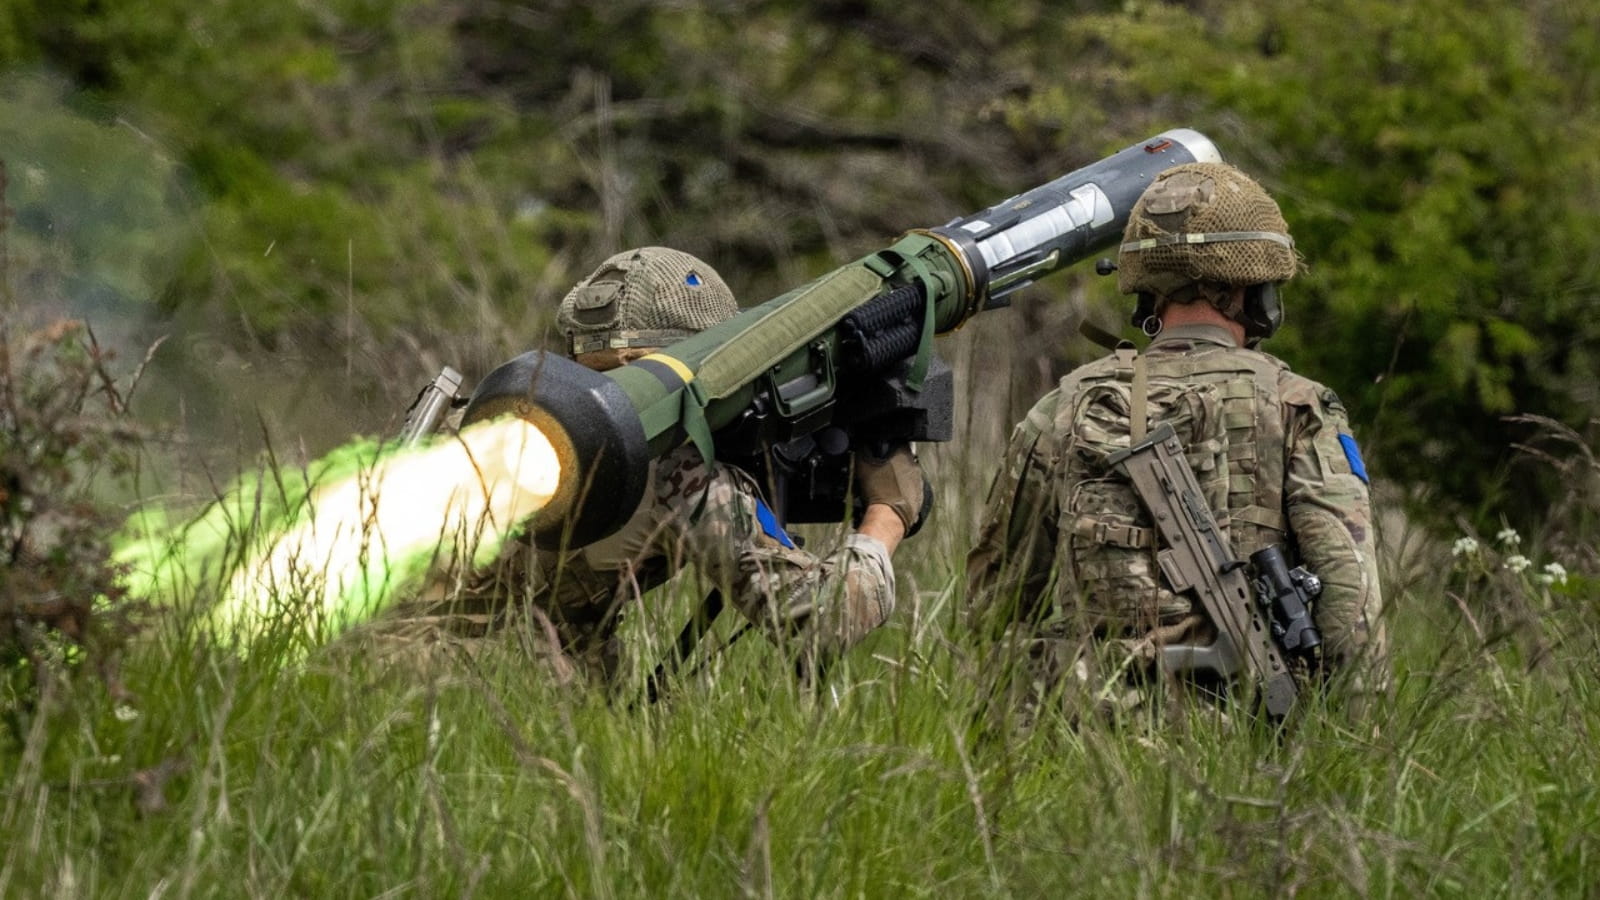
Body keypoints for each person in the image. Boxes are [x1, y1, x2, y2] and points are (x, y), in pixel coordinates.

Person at [965, 161, 1387, 724]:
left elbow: (997, 609)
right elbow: (1351, 617)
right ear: (1250, 289)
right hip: (1248, 748)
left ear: (1147, 287)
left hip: (1078, 746)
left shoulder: (1060, 411)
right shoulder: (1297, 408)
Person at [397, 246, 925, 686]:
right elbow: (823, 623)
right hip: (439, 709)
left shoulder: (482, 425)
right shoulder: (675, 469)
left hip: (380, 688)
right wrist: (888, 511)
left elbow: (558, 626)